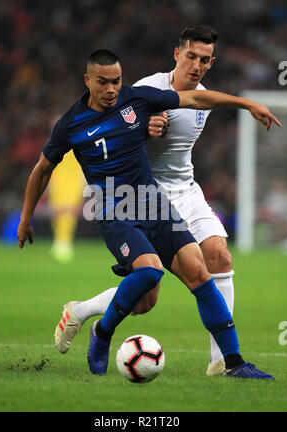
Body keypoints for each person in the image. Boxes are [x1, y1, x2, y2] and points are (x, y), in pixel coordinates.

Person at [18, 49, 279, 379]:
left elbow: (197, 100)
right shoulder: (71, 123)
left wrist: (247, 104)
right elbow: (42, 170)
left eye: (116, 81)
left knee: (199, 272)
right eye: (103, 83)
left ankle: (233, 363)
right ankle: (103, 332)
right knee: (151, 272)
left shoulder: (137, 99)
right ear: (88, 81)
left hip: (154, 203)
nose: (112, 89)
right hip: (114, 210)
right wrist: (26, 218)